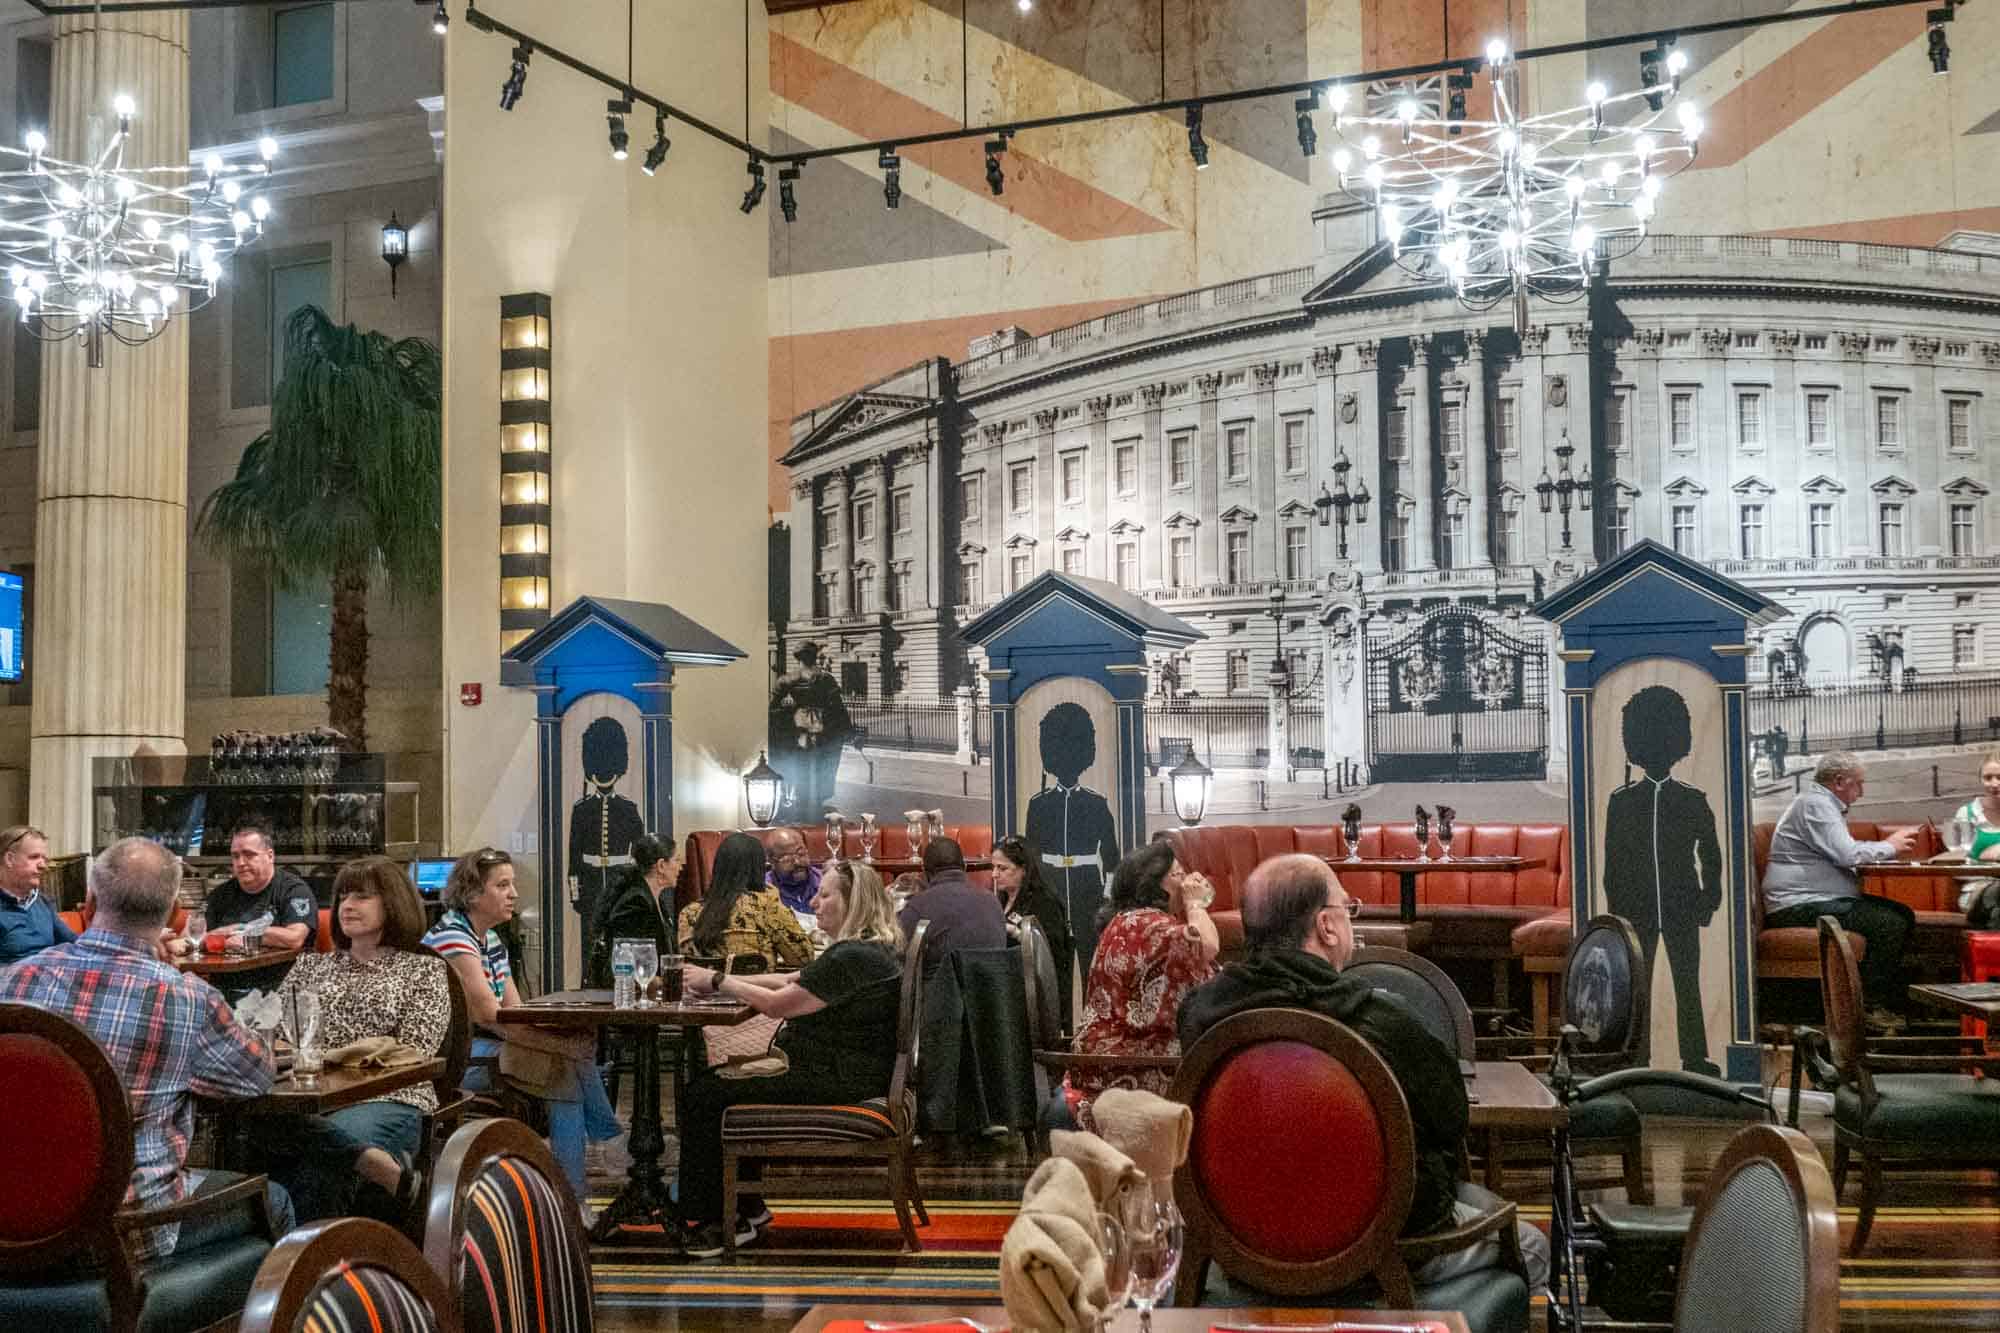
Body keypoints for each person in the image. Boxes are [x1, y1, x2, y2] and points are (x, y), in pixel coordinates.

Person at [1178, 852, 1550, 1292]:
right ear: (1326, 926)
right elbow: (1451, 1120)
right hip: (1385, 1252)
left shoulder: (1200, 1015)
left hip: (1243, 1250)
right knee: (1534, 1247)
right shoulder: (1382, 1018)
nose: (1350, 919)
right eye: (1346, 907)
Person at [0, 837, 294, 1259]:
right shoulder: (187, 999)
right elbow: (256, 1077)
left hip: (10, 1230)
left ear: (90, 901)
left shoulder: (14, 980)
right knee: (276, 1200)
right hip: (122, 1237)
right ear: (172, 914)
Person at [677, 858, 906, 1258]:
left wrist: (715, 980)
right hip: (854, 1071)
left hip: (839, 1079)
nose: (815, 902)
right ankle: (747, 1208)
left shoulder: (851, 958)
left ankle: (718, 1221)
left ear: (852, 904)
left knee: (705, 1092)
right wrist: (719, 982)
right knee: (720, 1082)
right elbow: (787, 980)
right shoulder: (868, 951)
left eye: (825, 894)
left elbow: (778, 1004)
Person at [423, 847, 621, 1223]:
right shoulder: (454, 938)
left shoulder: (490, 940)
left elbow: (516, 1013)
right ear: (472, 893)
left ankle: (582, 1182)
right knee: (565, 1069)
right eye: (502, 885)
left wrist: (560, 1040)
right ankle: (588, 1175)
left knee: (568, 1060)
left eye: (512, 884)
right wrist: (560, 1044)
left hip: (487, 1044)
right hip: (455, 1059)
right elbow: (490, 1016)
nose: (514, 893)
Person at [258, 857, 445, 1223]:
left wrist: (325, 1058)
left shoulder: (424, 969)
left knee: (320, 1161)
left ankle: (311, 1265)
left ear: (393, 903)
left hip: (391, 1096)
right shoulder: (311, 965)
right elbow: (275, 1034)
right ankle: (379, 1169)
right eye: (343, 896)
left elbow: (415, 1051)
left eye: (362, 897)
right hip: (308, 1097)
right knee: (248, 1126)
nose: (346, 905)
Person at [1053, 837, 1218, 1133]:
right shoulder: (1153, 927)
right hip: (1128, 1067)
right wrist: (1195, 903)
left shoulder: (1127, 922)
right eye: (1179, 874)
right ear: (1159, 884)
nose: (1187, 882)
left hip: (1103, 1062)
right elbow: (1208, 946)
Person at [1600, 685, 1725, 1076]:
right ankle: (1638, 1055)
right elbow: (1612, 862)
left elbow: (1711, 855)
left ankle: (1694, 1056)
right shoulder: (1621, 801)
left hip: (1681, 904)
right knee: (1640, 986)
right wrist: (1618, 909)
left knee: (1687, 984)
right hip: (1636, 908)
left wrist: (1708, 901)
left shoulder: (1692, 799)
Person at [1761, 752, 1920, 1030]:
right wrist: (1891, 846)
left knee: (1902, 914)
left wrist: (1884, 849)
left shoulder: (1818, 804)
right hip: (1797, 905)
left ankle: (1886, 1001)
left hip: (1814, 899)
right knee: (1890, 923)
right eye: (1858, 784)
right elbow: (1847, 854)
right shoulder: (1815, 804)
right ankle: (1869, 1010)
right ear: (1838, 781)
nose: (1861, 792)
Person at [1023, 702, 1120, 974]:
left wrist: (1106, 897)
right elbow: (1033, 856)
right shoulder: (1039, 805)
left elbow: (1111, 859)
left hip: (1087, 890)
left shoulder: (1096, 803)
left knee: (1092, 970)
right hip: (1053, 891)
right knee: (1057, 974)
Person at [204, 821, 318, 999]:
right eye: (235, 856)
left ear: (270, 856)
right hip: (223, 993)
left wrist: (239, 930)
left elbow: (295, 938)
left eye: (249, 855)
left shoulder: (292, 889)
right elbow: (194, 937)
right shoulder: (221, 894)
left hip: (277, 992)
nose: (240, 863)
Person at [678, 832, 812, 968]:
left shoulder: (687, 913)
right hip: (757, 988)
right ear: (758, 868)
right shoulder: (766, 906)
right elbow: (804, 957)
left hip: (702, 988)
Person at [568, 715, 646, 939]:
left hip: (619, 884)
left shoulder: (628, 808)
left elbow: (639, 855)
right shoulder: (581, 809)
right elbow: (574, 858)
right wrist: (576, 894)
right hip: (590, 887)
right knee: (590, 945)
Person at [993, 833, 1076, 1033]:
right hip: (1008, 989)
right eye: (993, 867)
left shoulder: (1045, 903)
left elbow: (1050, 957)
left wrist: (1016, 933)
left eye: (1002, 868)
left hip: (1036, 998)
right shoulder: (999, 899)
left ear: (1023, 870)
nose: (994, 874)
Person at [898, 836, 1006, 976]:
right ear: (965, 867)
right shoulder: (993, 902)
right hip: (994, 994)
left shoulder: (918, 907)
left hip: (942, 996)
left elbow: (898, 956)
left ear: (924, 872)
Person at [588, 834, 683, 987]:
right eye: (677, 859)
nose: (681, 865)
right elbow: (625, 965)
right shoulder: (635, 902)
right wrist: (665, 982)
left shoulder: (656, 900)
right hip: (626, 999)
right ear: (661, 866)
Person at [770, 643, 852, 818]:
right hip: (823, 728)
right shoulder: (826, 679)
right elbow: (838, 708)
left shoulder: (787, 679)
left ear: (797, 658)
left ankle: (800, 800)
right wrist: (848, 730)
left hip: (798, 726)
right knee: (823, 765)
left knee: (800, 764)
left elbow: (773, 708)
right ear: (814, 656)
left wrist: (788, 710)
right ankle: (816, 800)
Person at [0, 823, 75, 966]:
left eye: (44, 859)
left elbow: (74, 943)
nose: (43, 865)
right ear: (9, 859)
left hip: (48, 981)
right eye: (34, 857)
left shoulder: (42, 902)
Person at [1950, 754, 2000, 926]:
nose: (1994, 784)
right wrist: (1988, 860)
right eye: (1988, 778)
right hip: (1976, 890)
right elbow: (1953, 867)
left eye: (1999, 777)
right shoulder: (1965, 814)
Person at [764, 827, 822, 916]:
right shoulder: (763, 891)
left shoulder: (824, 882)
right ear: (772, 861)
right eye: (787, 858)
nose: (797, 862)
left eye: (801, 854)